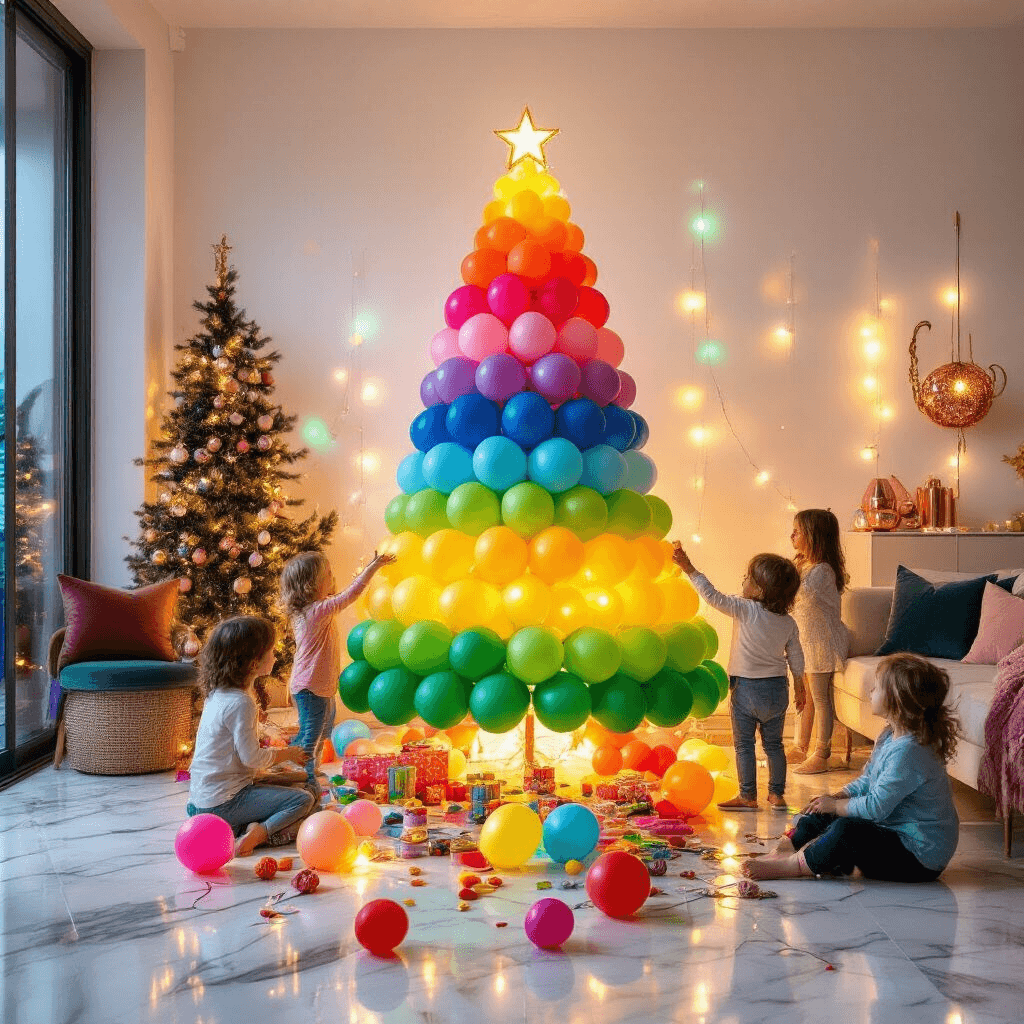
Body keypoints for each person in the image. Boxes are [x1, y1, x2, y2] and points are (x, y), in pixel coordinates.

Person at [743, 653, 960, 882]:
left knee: (847, 830)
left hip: (919, 858)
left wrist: (837, 807)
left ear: (898, 700)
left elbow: (876, 807)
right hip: (894, 832)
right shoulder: (889, 735)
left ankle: (792, 866)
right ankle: (784, 849)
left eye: (877, 688)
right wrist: (839, 796)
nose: (871, 692)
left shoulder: (911, 752)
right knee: (822, 808)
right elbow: (869, 779)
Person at [672, 542, 804, 810]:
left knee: (744, 745)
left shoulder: (746, 609)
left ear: (760, 590)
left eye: (748, 578)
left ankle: (747, 796)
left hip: (746, 689)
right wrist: (801, 687)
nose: (743, 581)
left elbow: (712, 596)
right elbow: (796, 657)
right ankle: (777, 795)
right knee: (775, 745)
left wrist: (690, 569)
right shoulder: (788, 622)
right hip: (778, 690)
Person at [187, 615, 314, 857]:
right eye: (272, 652)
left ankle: (238, 826)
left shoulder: (219, 693)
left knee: (298, 781)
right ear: (254, 664)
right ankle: (257, 834)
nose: (276, 657)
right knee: (303, 799)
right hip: (223, 803)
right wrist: (287, 754)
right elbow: (251, 758)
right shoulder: (241, 702)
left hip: (202, 801)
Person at [280, 549, 395, 791]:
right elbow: (351, 594)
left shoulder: (311, 609)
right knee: (311, 734)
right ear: (311, 584)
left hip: (318, 684)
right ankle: (304, 775)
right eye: (328, 574)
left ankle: (302, 766)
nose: (332, 578)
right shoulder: (316, 610)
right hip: (311, 685)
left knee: (322, 729)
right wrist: (372, 567)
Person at [788, 508, 851, 774]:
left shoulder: (822, 571)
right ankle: (801, 745)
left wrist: (788, 579)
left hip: (821, 643)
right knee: (807, 699)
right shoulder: (805, 567)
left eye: (798, 532)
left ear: (814, 537)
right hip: (806, 642)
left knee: (820, 698)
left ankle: (821, 752)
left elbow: (804, 596)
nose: (792, 536)